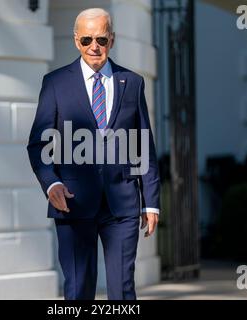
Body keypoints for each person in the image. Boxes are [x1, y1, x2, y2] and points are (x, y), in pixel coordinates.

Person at [27, 8, 160, 300]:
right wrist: (51, 183)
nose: (94, 47)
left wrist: (151, 202)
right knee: (78, 289)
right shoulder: (55, 83)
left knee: (123, 288)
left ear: (111, 39)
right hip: (72, 202)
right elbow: (38, 144)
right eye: (86, 40)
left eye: (100, 39)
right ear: (76, 41)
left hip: (122, 204)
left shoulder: (133, 83)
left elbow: (143, 145)